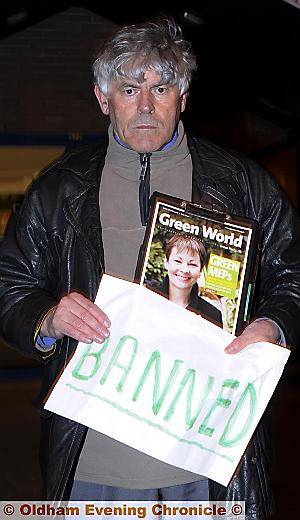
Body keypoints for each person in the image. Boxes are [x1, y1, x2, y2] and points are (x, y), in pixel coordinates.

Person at [0, 17, 299, 518]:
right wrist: (48, 318)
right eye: (128, 88)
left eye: (160, 88)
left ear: (181, 96)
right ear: (102, 98)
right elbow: (10, 284)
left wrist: (272, 324)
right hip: (94, 461)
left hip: (207, 465)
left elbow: (292, 275)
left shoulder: (243, 183)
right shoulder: (60, 189)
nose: (144, 106)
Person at [150, 234, 223, 326]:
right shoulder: (147, 299)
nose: (184, 270)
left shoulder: (212, 315)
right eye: (178, 261)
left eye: (192, 264)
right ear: (166, 262)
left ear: (201, 270)